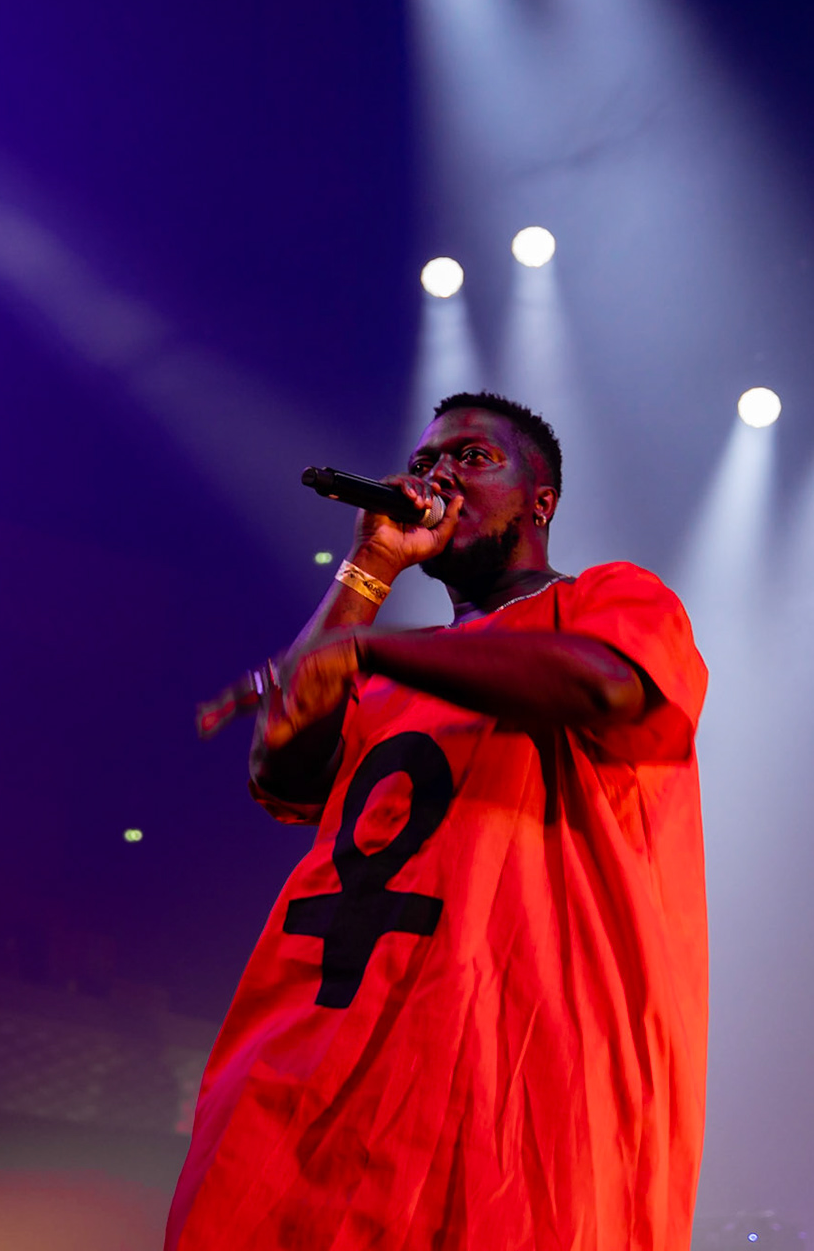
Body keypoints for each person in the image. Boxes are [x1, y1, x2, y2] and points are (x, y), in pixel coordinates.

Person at [166, 392, 710, 1250]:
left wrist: (372, 647)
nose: (437, 477)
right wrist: (366, 579)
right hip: (325, 1063)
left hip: (514, 1077)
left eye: (471, 457)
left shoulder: (613, 598)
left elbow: (603, 686)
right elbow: (284, 769)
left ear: (542, 503)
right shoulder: (388, 677)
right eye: (425, 463)